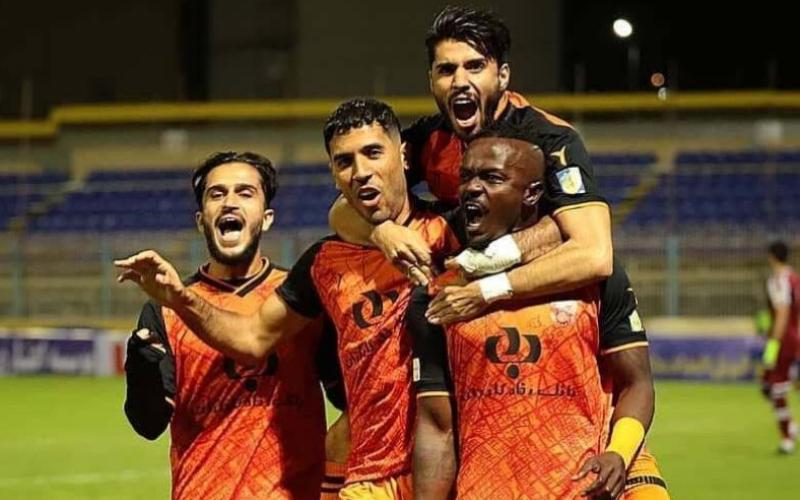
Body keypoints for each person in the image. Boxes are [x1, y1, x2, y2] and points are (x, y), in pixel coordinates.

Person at [409, 123, 667, 499]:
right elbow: (436, 426)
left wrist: (618, 453)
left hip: (579, 490)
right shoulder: (440, 294)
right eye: (466, 177)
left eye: (492, 177)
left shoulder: (592, 276)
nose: (472, 188)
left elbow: (637, 383)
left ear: (531, 194)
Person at [329, 6, 612, 306]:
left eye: (475, 66)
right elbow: (341, 213)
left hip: (550, 299)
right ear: (431, 80)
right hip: (469, 285)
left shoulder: (550, 140)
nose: (460, 81)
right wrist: (381, 232)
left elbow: (595, 255)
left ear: (502, 76)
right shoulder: (428, 139)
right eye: (447, 70)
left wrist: (488, 290)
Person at [123, 151, 347, 499]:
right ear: (201, 221)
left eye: (245, 193)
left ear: (267, 218)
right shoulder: (164, 308)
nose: (229, 202)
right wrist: (142, 371)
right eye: (217, 194)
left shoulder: (304, 301)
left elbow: (354, 400)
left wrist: (332, 474)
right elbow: (148, 424)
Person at [761, 240, 800, 454]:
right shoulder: (795, 278)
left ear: (772, 257)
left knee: (774, 387)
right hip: (795, 337)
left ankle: (787, 438)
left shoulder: (778, 280)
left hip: (783, 339)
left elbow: (783, 313)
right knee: (782, 384)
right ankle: (791, 427)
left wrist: (772, 346)